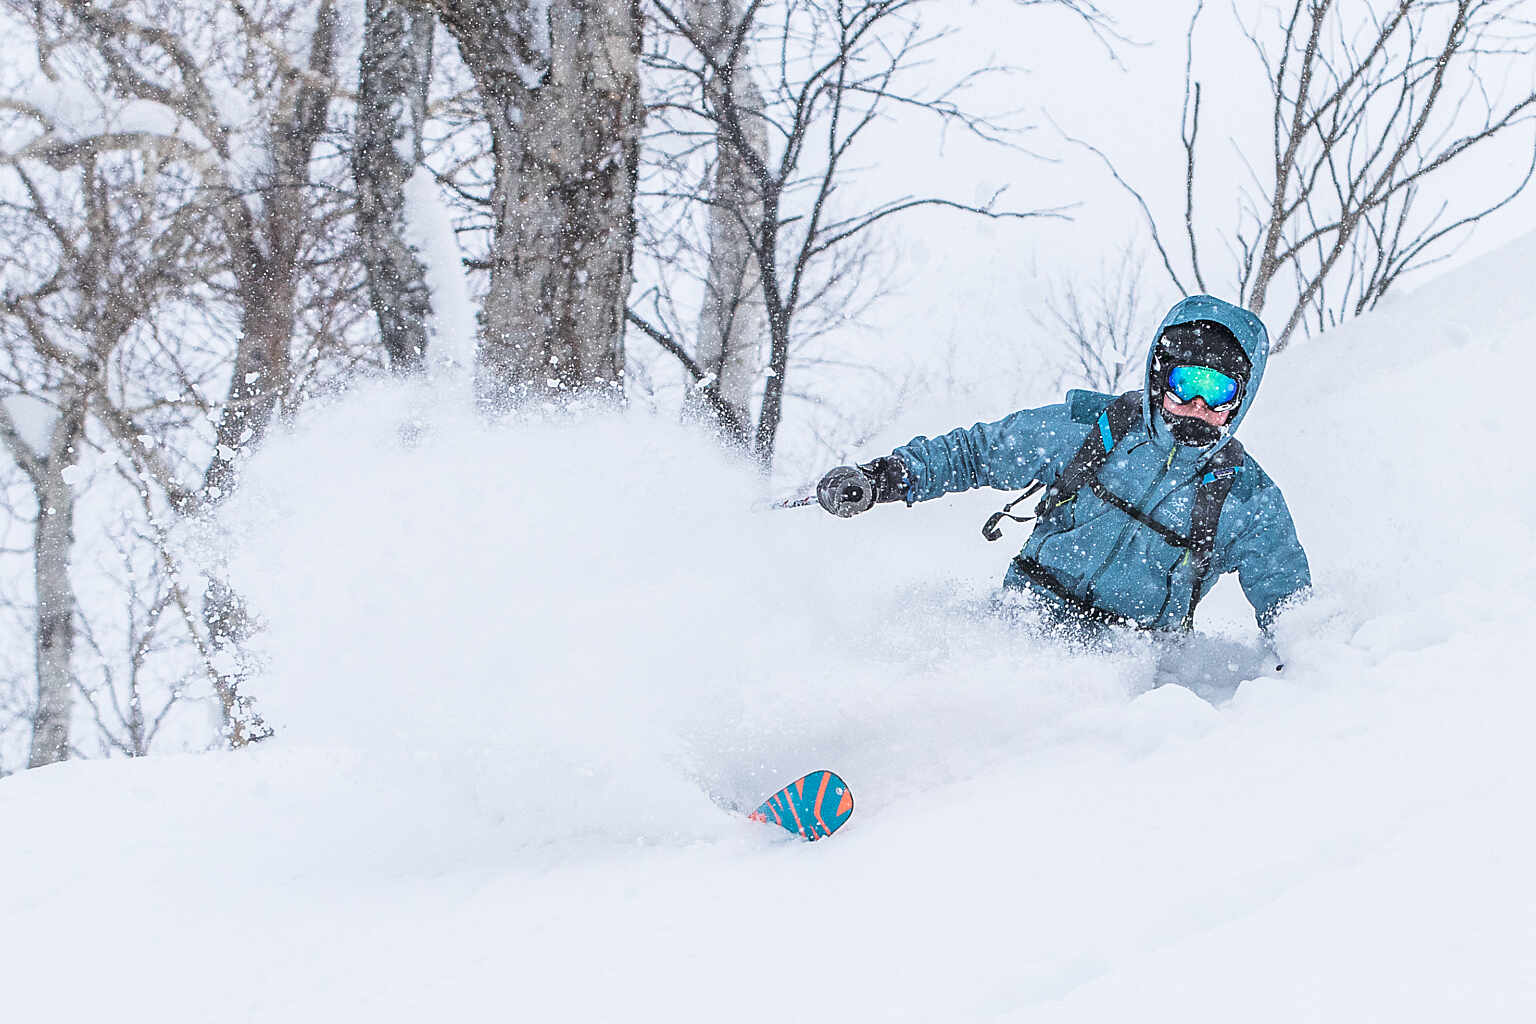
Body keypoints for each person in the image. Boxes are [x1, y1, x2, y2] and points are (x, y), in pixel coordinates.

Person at [816, 295, 1310, 643]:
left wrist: (1310, 680)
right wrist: (884, 477)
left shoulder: (1245, 497)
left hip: (1131, 667)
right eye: (1188, 382)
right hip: (1026, 623)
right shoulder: (1094, 430)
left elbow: (1292, 613)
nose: (1199, 403)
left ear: (1239, 401)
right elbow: (978, 452)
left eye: (1220, 390)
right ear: (1161, 379)